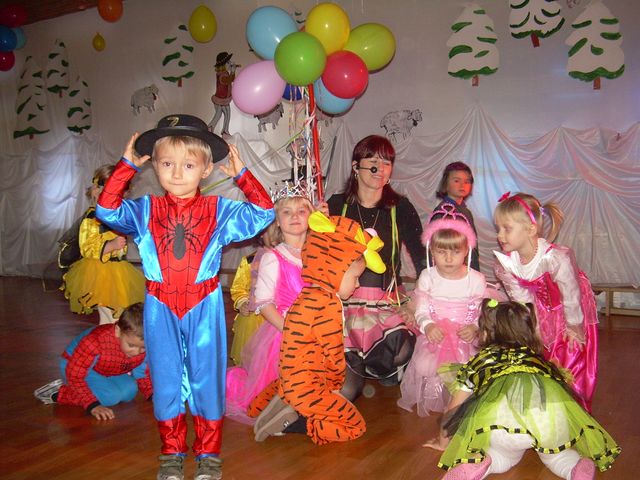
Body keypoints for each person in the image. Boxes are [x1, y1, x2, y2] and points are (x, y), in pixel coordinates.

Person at [95, 114, 275, 480]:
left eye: (189, 165)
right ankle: (171, 453)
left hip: (203, 306)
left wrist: (243, 175)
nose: (177, 173)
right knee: (165, 380)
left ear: (206, 169)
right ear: (155, 166)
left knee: (207, 379)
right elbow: (107, 209)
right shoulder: (144, 210)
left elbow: (263, 213)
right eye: (167, 164)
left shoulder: (219, 211)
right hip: (160, 307)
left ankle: (208, 454)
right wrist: (126, 167)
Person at [424, 300, 620, 480]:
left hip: (504, 426)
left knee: (501, 455)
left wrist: (443, 442)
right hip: (551, 420)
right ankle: (574, 467)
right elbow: (562, 393)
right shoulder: (538, 361)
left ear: (485, 333)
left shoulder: (481, 362)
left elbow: (454, 408)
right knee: (556, 457)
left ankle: (483, 461)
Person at [250, 212, 386, 444]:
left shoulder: (307, 294)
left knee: (307, 396)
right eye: (355, 277)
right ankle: (294, 422)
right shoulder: (328, 304)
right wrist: (334, 386)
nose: (357, 284)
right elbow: (333, 354)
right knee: (354, 426)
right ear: (336, 269)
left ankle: (281, 403)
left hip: (293, 380)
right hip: (308, 388)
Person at [326, 134, 426, 400]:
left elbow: (423, 259)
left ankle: (381, 365)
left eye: (386, 163)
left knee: (401, 350)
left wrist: (414, 303)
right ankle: (360, 367)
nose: (380, 169)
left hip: (387, 301)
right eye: (373, 162)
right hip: (345, 302)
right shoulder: (336, 205)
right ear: (355, 166)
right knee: (347, 390)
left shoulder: (400, 207)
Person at [493, 192, 598, 411]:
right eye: (498, 228)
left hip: (570, 309)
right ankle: (549, 409)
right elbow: (523, 302)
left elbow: (571, 295)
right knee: (544, 358)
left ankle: (573, 409)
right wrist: (535, 333)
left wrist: (574, 327)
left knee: (570, 356)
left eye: (506, 228)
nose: (499, 235)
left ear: (531, 230)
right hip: (542, 310)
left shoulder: (555, 257)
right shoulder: (507, 264)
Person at [226, 193, 313, 423]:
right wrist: (291, 331)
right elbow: (264, 303)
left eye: (301, 211)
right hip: (285, 334)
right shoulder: (273, 258)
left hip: (315, 333)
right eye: (287, 212)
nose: (295, 216)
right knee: (283, 392)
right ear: (277, 221)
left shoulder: (318, 255)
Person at [398, 204, 486, 416]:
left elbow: (479, 311)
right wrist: (428, 325)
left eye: (455, 252)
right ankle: (436, 396)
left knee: (466, 366)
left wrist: (474, 327)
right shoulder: (428, 276)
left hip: (463, 334)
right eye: (441, 252)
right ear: (431, 251)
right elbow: (421, 308)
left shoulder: (475, 279)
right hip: (435, 331)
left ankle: (459, 401)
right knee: (424, 365)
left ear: (466, 251)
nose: (448, 258)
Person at [34, 303, 151, 420]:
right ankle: (59, 393)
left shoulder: (142, 345)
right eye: (131, 345)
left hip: (107, 368)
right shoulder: (95, 342)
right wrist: (92, 405)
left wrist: (151, 394)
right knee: (110, 397)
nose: (137, 352)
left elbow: (142, 372)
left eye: (143, 347)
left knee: (130, 392)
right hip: (74, 367)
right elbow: (75, 375)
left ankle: (94, 389)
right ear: (117, 331)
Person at [61, 164, 145, 324]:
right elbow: (86, 247)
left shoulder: (118, 214)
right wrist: (110, 245)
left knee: (116, 314)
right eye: (103, 190)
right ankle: (107, 336)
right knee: (112, 315)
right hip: (101, 273)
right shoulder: (93, 217)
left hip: (119, 271)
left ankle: (111, 336)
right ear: (95, 191)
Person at [432, 161, 480, 272]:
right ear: (446, 184)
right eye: (457, 181)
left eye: (467, 181)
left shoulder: (465, 210)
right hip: (452, 268)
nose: (462, 185)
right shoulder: (444, 211)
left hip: (467, 265)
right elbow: (441, 247)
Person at [208, 51, 237, 136]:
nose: (230, 63)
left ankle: (222, 130)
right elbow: (228, 80)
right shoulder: (222, 74)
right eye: (228, 62)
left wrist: (232, 72)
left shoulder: (225, 73)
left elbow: (231, 79)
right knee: (223, 114)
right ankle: (212, 128)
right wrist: (233, 71)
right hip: (221, 99)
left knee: (221, 114)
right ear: (223, 65)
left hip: (223, 99)